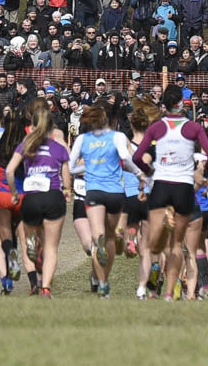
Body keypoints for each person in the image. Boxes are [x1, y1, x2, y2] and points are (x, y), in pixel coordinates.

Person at [132, 84, 208, 301]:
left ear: (164, 105)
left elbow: (137, 157)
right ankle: (169, 292)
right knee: (178, 245)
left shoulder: (157, 127)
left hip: (161, 186)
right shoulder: (193, 127)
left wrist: (149, 171)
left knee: (156, 244)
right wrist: (202, 170)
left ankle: (156, 270)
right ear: (180, 104)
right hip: (183, 187)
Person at [67, 100, 140, 297]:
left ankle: (102, 283)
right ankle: (104, 279)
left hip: (93, 192)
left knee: (97, 237)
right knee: (109, 238)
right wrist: (140, 173)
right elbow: (127, 158)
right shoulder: (117, 137)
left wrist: (90, 167)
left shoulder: (83, 139)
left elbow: (71, 168)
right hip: (115, 192)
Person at [2, 98, 70, 297]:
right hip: (53, 196)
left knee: (33, 237)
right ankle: (46, 287)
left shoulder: (26, 144)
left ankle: (33, 245)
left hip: (31, 198)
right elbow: (66, 174)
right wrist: (67, 191)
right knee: (51, 247)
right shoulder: (58, 146)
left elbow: (9, 171)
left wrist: (14, 193)